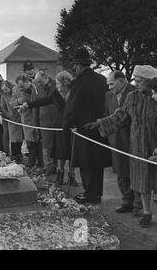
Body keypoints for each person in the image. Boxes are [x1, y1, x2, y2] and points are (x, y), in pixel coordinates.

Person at [87, 67, 157, 227]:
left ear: (149, 82)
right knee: (142, 181)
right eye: (136, 80)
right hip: (138, 147)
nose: (136, 84)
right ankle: (146, 213)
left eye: (139, 81)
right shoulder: (133, 97)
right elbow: (121, 116)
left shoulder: (156, 97)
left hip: (154, 147)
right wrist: (101, 123)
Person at [63, 47, 111, 205]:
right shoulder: (101, 80)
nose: (74, 69)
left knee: (86, 162)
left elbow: (72, 108)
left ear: (78, 65)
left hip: (84, 128)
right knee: (97, 163)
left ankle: (89, 193)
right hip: (100, 125)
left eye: (74, 66)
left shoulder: (79, 83)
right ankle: (97, 192)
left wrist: (66, 125)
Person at [22, 71, 76, 186]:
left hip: (72, 126)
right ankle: (60, 174)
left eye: (58, 84)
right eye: (56, 84)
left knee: (72, 152)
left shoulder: (74, 93)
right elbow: (43, 101)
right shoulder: (56, 94)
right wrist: (28, 104)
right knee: (61, 152)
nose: (56, 86)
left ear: (65, 83)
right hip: (60, 126)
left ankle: (72, 176)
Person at [105, 71, 141, 214]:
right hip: (116, 139)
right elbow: (106, 115)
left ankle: (139, 205)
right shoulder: (108, 96)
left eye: (112, 84)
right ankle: (127, 200)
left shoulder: (135, 93)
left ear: (121, 81)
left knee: (136, 171)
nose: (109, 87)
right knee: (121, 170)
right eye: (108, 84)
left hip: (133, 138)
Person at [11, 75, 40, 168]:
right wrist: (20, 101)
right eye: (19, 87)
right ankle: (31, 160)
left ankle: (39, 161)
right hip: (26, 117)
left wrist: (25, 101)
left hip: (37, 116)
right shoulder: (16, 89)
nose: (21, 89)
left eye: (22, 86)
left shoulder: (35, 87)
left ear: (27, 82)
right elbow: (12, 102)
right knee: (29, 140)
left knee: (38, 139)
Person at [33, 70, 58, 174]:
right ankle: (47, 166)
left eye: (39, 81)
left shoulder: (57, 85)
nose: (38, 84)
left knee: (57, 145)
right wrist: (36, 125)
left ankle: (56, 166)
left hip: (57, 120)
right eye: (37, 82)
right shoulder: (36, 88)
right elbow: (35, 107)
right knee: (46, 145)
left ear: (45, 76)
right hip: (44, 121)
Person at [0, 80, 24, 161]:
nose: (5, 91)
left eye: (6, 89)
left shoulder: (16, 92)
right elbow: (2, 106)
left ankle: (19, 152)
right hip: (10, 118)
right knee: (13, 136)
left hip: (19, 117)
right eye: (3, 90)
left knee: (20, 137)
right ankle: (14, 153)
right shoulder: (3, 96)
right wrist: (7, 114)